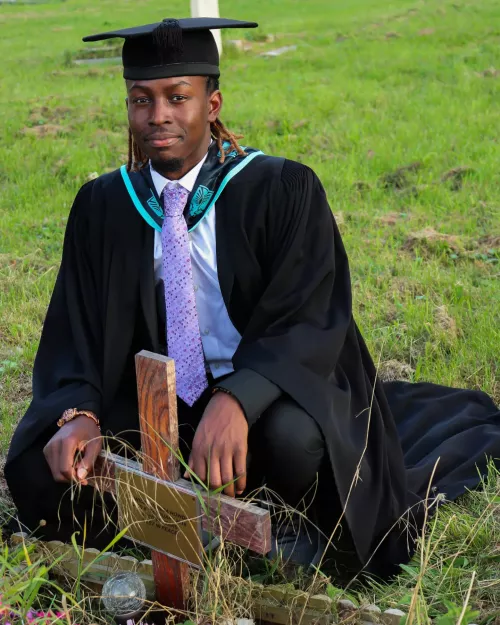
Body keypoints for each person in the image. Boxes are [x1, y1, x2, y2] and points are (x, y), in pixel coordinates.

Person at [5, 17, 500, 579]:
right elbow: (77, 327)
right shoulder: (102, 206)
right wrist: (80, 412)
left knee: (293, 442)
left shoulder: (281, 190)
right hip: (158, 400)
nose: (158, 115)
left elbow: (309, 316)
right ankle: (193, 527)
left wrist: (238, 397)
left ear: (212, 103)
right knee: (50, 465)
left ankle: (287, 531)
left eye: (177, 97)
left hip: (268, 390)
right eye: (141, 100)